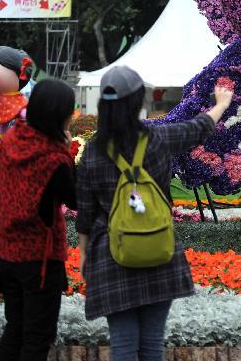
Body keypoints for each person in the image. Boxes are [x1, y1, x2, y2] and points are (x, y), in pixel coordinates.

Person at [76, 66, 232, 361]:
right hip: (160, 253)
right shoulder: (158, 137)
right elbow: (197, 128)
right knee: (151, 346)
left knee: (123, 345)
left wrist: (84, 253)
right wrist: (222, 103)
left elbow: (85, 210)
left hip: (112, 258)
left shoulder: (94, 151)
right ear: (137, 102)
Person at [0, 79, 78, 360]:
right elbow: (76, 199)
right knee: (37, 337)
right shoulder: (53, 157)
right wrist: (67, 149)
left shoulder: (8, 144)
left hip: (6, 254)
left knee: (15, 328)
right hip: (39, 259)